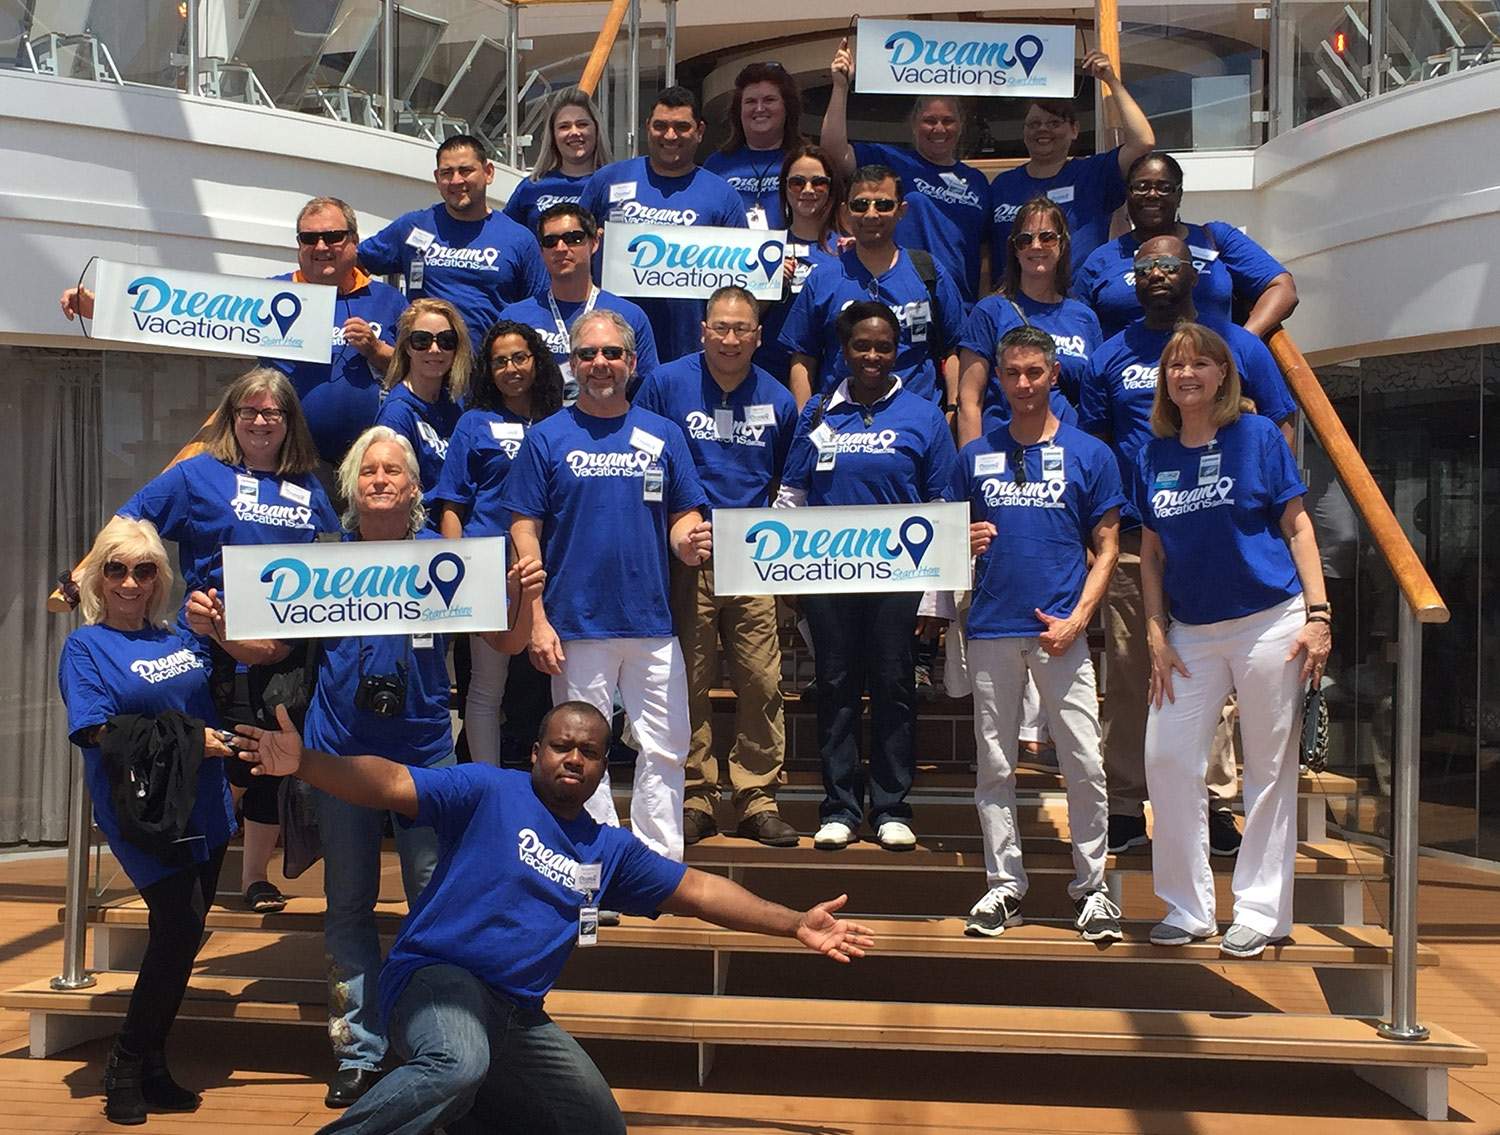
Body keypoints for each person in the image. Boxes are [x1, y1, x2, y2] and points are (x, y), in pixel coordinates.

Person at [232, 699, 875, 1135]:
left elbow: (701, 891)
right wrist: (308, 764)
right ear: (536, 751)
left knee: (596, 1125)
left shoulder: (608, 849)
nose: (574, 758)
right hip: (438, 980)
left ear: (601, 767)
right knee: (457, 1062)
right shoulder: (488, 789)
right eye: (562, 745)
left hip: (518, 1014)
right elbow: (390, 782)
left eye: (589, 752)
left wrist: (795, 923)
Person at [186, 425, 542, 1108]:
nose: (380, 479)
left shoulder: (447, 555)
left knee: (434, 904)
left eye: (393, 470)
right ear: (352, 487)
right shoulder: (324, 557)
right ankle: (358, 1050)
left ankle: (439, 1042)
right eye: (368, 470)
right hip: (336, 755)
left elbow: (510, 639)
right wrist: (220, 627)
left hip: (425, 760)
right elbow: (264, 648)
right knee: (347, 904)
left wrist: (522, 592)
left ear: (413, 486)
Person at [1082, 234, 1298, 857]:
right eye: (1144, 266)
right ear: (1133, 277)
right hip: (1136, 538)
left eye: (1168, 265)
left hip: (1225, 538)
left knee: (1220, 676)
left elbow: (1276, 427)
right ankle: (1125, 801)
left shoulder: (1237, 345)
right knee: (1129, 675)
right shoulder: (1107, 355)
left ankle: (1215, 800)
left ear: (1191, 275)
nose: (1155, 275)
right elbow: (1095, 447)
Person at [1136, 322, 1331, 957]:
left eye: (1199, 364)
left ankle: (1261, 911)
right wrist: (1155, 633)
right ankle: (1189, 908)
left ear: (1223, 374)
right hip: (1190, 631)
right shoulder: (1154, 453)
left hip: (1270, 619)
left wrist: (1320, 614)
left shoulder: (1255, 438)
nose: (1185, 375)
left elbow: (1298, 527)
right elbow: (1152, 554)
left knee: (1269, 768)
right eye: (1174, 366)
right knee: (1165, 759)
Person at [118, 368, 337, 914]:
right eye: (250, 412)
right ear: (232, 418)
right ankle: (194, 872)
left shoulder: (312, 484)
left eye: (273, 413)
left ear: (290, 422)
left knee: (270, 762)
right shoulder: (197, 475)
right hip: (209, 642)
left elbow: (335, 557)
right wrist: (146, 587)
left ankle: (255, 877)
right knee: (209, 755)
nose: (261, 422)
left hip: (287, 647)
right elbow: (131, 520)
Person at [502, 309, 712, 861]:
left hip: (651, 622)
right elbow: (524, 526)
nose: (600, 364)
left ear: (632, 362)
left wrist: (690, 541)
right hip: (575, 626)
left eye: (612, 354)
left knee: (665, 749)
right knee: (578, 756)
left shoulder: (663, 434)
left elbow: (683, 516)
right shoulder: (547, 437)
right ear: (573, 363)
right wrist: (538, 618)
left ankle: (659, 864)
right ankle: (594, 863)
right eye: (589, 354)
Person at [58, 517, 238, 1124]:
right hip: (144, 814)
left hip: (205, 806)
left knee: (181, 941)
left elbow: (220, 698)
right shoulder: (85, 646)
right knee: (178, 929)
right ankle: (126, 1065)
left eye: (143, 570)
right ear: (99, 578)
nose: (130, 583)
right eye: (116, 570)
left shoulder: (179, 639)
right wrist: (193, 741)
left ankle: (154, 1065)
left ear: (159, 578)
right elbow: (94, 730)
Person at [776, 302, 961, 851]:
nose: (874, 356)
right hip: (828, 577)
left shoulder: (924, 415)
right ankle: (838, 806)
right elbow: (793, 495)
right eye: (863, 346)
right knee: (834, 685)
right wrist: (785, 571)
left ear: (897, 349)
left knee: (893, 685)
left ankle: (891, 806)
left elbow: (942, 501)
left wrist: (936, 598)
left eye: (884, 346)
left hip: (901, 577)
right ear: (844, 350)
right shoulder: (816, 413)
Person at [959, 327, 1123, 942]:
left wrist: (1080, 617)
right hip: (992, 628)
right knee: (994, 766)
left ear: (1054, 374)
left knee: (1084, 760)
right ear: (997, 378)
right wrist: (959, 540)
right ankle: (1005, 887)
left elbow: (1107, 546)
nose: (1024, 385)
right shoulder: (974, 456)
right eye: (1012, 374)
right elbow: (943, 540)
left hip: (1062, 630)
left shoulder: (1091, 453)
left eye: (1035, 372)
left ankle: (1094, 887)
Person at [59, 195, 407, 472]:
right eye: (309, 238)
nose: (321, 247)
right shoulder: (270, 296)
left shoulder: (389, 301)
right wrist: (100, 307)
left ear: (354, 240)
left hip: (370, 460)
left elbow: (418, 369)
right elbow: (180, 314)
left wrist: (376, 349)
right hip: (291, 459)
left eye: (332, 236)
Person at [634, 286, 800, 847]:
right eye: (720, 328)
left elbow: (786, 483)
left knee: (761, 679)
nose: (730, 339)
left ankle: (757, 796)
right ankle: (696, 794)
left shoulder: (778, 399)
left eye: (742, 330)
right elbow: (644, 463)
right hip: (689, 552)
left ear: (757, 335)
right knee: (690, 679)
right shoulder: (664, 385)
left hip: (756, 556)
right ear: (703, 329)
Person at [434, 320, 566, 766]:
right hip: (489, 570)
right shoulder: (474, 422)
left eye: (519, 358)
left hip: (550, 570)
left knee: (542, 684)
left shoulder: (559, 421)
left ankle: (538, 784)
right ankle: (486, 782)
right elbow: (452, 505)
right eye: (499, 361)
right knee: (487, 687)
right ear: (487, 371)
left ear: (537, 361)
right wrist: (461, 570)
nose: (511, 368)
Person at [577, 86, 749, 363]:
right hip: (608, 352)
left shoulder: (723, 195)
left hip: (689, 352)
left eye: (681, 127)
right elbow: (572, 246)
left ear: (700, 131)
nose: (670, 136)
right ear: (648, 127)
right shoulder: (607, 180)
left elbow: (743, 286)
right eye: (661, 126)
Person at [821, 36, 991, 305]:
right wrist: (840, 87)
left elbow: (984, 254)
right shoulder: (893, 161)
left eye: (948, 120)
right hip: (898, 298)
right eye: (929, 120)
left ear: (961, 125)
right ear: (914, 125)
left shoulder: (977, 181)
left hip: (961, 305)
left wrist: (984, 305)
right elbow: (833, 153)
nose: (939, 128)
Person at [779, 164, 964, 409]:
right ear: (846, 212)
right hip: (841, 426)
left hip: (916, 424)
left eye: (884, 205)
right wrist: (807, 420)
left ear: (901, 211)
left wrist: (952, 410)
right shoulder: (823, 278)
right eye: (861, 204)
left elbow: (955, 350)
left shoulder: (928, 271)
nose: (871, 214)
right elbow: (803, 359)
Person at [1075, 151, 1299, 340]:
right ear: (1128, 194)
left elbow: (1282, 288)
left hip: (1210, 374)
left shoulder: (1215, 238)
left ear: (1179, 195)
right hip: (1132, 379)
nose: (1152, 194)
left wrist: (1242, 343)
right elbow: (1080, 325)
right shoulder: (1101, 259)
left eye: (1164, 187)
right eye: (1141, 186)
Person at [358, 135, 548, 354]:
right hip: (428, 370)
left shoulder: (520, 239)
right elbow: (352, 261)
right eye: (447, 173)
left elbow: (539, 310)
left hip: (489, 376)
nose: (457, 181)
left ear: (488, 173)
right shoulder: (413, 227)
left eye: (465, 171)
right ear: (437, 178)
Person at [987, 55, 1155, 277]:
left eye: (1054, 123)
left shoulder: (1093, 174)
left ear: (1074, 130)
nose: (1043, 129)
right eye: (1034, 124)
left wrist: (1111, 81)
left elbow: (1143, 141)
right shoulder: (1002, 185)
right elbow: (987, 254)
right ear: (1024, 132)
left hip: (1077, 303)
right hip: (1013, 306)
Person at [956, 197, 1103, 446]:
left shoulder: (1084, 317)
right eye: (1025, 240)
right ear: (1014, 249)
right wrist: (973, 466)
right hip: (1004, 453)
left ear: (1063, 244)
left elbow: (1095, 402)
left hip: (1067, 453)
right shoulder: (991, 310)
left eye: (1047, 237)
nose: (1036, 246)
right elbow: (970, 400)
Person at [498, 203, 658, 400]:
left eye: (573, 238)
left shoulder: (630, 316)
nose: (561, 248)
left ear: (594, 242)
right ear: (541, 252)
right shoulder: (515, 317)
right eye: (550, 241)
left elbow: (645, 393)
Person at [374, 299, 472, 528]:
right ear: (407, 347)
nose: (435, 349)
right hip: (418, 535)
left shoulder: (455, 404)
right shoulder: (396, 413)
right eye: (422, 341)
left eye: (446, 341)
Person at [755, 143, 845, 382]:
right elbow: (746, 318)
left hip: (830, 377)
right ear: (785, 188)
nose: (808, 190)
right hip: (768, 374)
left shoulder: (847, 249)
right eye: (797, 182)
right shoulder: (765, 247)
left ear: (831, 187)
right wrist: (770, 287)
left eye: (818, 182)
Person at [704, 60, 803, 228]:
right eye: (750, 101)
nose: (759, 108)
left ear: (787, 108)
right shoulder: (716, 165)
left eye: (769, 100)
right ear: (739, 111)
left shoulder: (804, 160)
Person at [502, 87, 612, 233]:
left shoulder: (614, 185)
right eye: (564, 126)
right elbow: (506, 237)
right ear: (553, 136)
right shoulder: (532, 186)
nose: (574, 132)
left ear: (597, 129)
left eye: (582, 124)